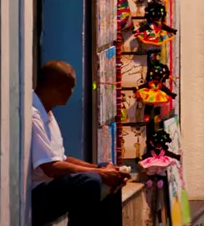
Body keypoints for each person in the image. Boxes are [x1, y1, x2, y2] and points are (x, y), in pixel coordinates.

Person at [29, 61, 129, 225]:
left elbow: (62, 158)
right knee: (91, 182)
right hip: (37, 194)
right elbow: (51, 168)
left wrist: (101, 169)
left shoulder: (48, 113)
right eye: (70, 87)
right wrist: (99, 174)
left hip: (50, 185)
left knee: (112, 177)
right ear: (58, 87)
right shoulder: (34, 116)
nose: (71, 92)